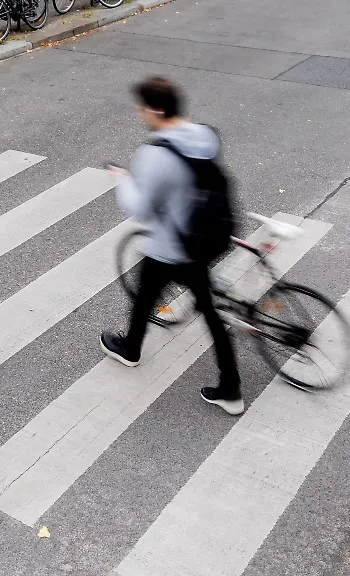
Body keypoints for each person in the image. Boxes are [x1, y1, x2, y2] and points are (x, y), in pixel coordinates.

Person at [100, 76, 244, 416]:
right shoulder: (203, 135)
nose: (139, 114)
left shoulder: (155, 154)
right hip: (208, 235)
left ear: (156, 110)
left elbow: (142, 209)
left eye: (142, 108)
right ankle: (230, 387)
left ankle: (132, 349)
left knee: (152, 290)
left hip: (174, 244)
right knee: (200, 307)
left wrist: (123, 180)